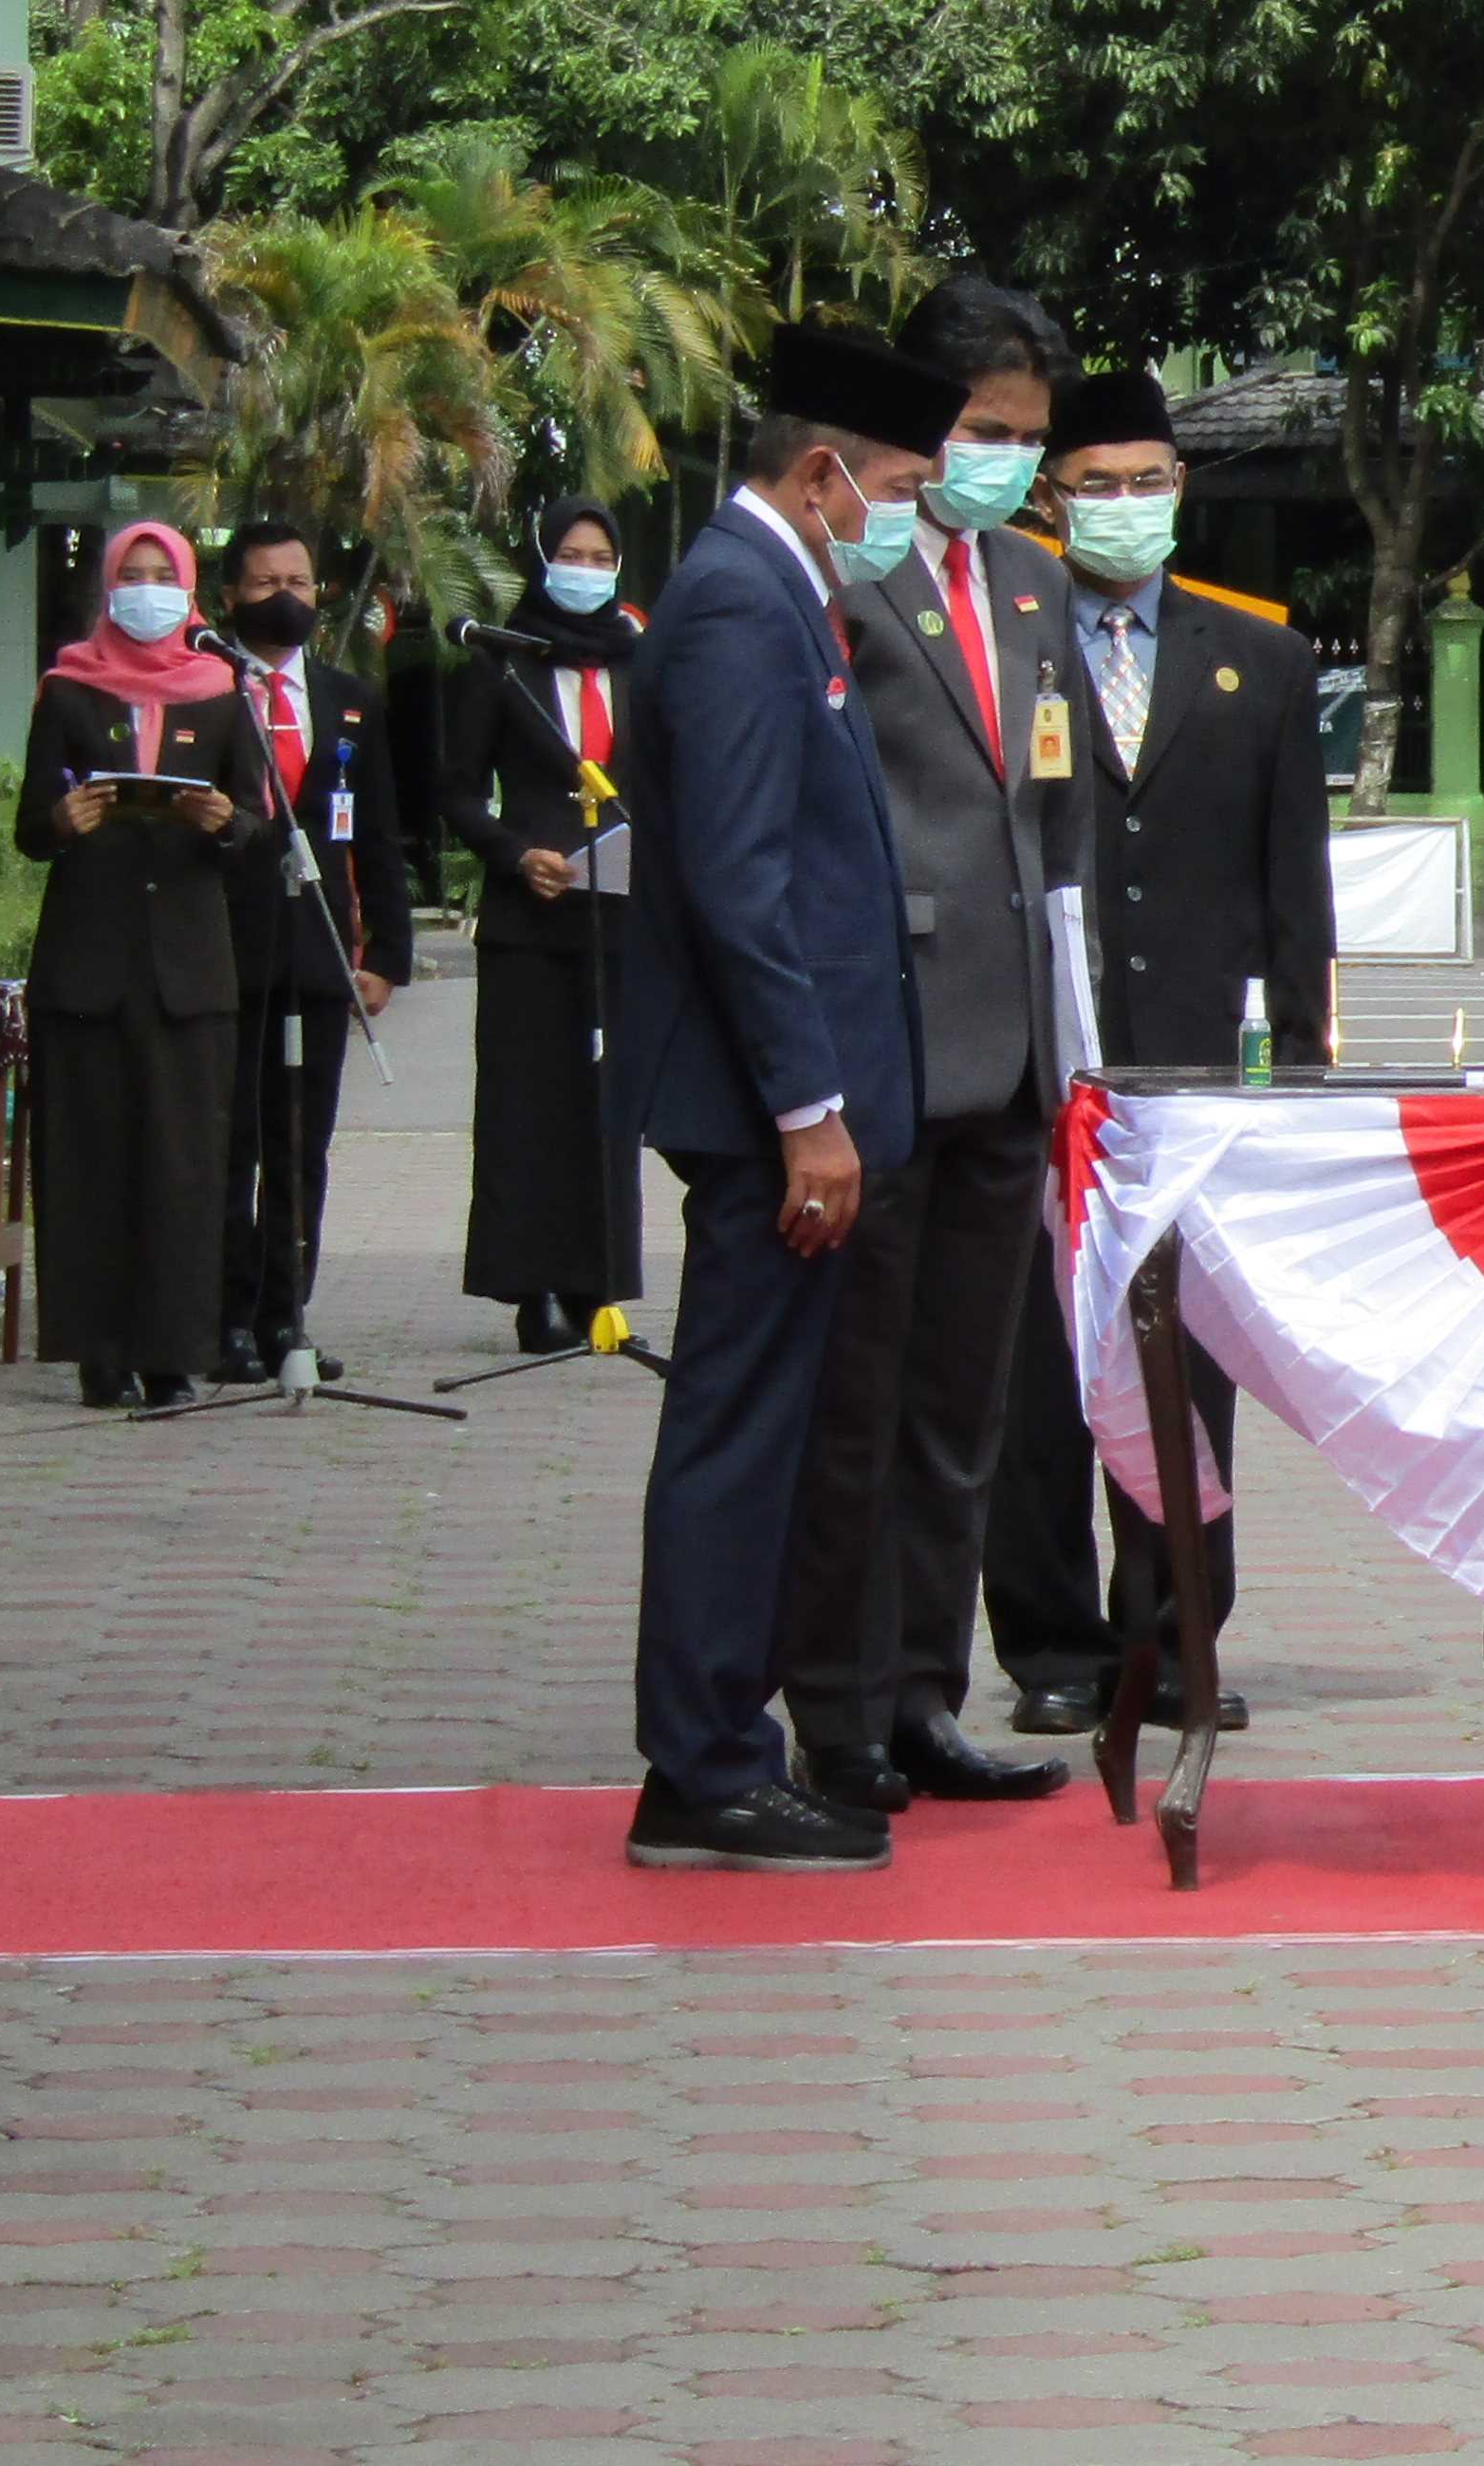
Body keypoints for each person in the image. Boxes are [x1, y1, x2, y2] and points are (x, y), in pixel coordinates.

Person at [611, 323, 957, 1874]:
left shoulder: (776, 592)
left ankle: (718, 1744)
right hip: (772, 1119)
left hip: (800, 1106)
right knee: (739, 1429)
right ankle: (701, 1760)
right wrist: (810, 1107)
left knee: (766, 1424)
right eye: (892, 483)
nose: (901, 511)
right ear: (819, 472)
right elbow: (744, 888)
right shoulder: (740, 606)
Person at [771, 278, 1089, 1819]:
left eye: (1028, 441)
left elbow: (1065, 816)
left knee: (963, 1401)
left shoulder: (1030, 584)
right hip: (880, 1036)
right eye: (981, 432)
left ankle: (923, 1697)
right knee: (858, 1402)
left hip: (1013, 1052)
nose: (1006, 464)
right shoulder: (852, 562)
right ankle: (830, 1709)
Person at [983, 364, 1334, 1735]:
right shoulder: (1008, 647)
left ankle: (1180, 1635)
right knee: (1040, 1364)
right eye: (1095, 485)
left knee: (1189, 1358)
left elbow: (1293, 881)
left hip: (1202, 1067)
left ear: (1182, 490)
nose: (1125, 506)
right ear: (1052, 500)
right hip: (1044, 1058)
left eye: (1150, 481)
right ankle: (1054, 1646)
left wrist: (1296, 1063)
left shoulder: (1260, 658)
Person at [15, 521, 261, 1414]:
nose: (148, 590)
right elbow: (30, 828)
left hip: (190, 970)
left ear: (189, 591)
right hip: (87, 964)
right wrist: (64, 820)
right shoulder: (70, 691)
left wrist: (222, 822)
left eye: (164, 576)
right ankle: (95, 1350)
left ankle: (171, 1352)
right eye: (133, 575)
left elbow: (257, 826)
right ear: (108, 587)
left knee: (182, 1165)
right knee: (89, 1162)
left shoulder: (223, 693)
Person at [446, 504, 653, 1353]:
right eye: (570, 554)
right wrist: (510, 851)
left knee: (610, 1104)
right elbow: (455, 791)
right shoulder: (502, 666)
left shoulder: (647, 665)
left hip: (626, 911)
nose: (586, 568)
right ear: (542, 562)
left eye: (601, 556)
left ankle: (599, 1283)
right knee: (528, 1103)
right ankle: (533, 1292)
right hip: (531, 915)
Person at [213, 520, 412, 1381]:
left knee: (303, 1145)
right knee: (232, 1145)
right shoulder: (208, 692)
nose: (285, 597)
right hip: (224, 953)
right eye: (265, 583)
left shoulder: (350, 699)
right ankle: (222, 1319)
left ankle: (286, 1316)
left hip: (322, 952)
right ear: (230, 597)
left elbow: (377, 835)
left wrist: (389, 956)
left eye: (299, 580)